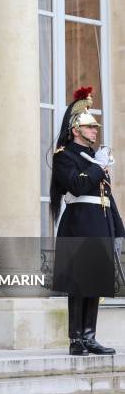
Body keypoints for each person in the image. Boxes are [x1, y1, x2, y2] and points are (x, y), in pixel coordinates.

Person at [50, 86, 124, 356]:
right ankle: (76, 339)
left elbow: (107, 195)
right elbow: (76, 186)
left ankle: (90, 336)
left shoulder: (95, 158)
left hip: (100, 220)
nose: (95, 131)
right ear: (76, 129)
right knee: (79, 282)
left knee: (96, 281)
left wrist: (118, 229)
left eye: (95, 127)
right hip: (79, 221)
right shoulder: (64, 156)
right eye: (90, 127)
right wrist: (96, 167)